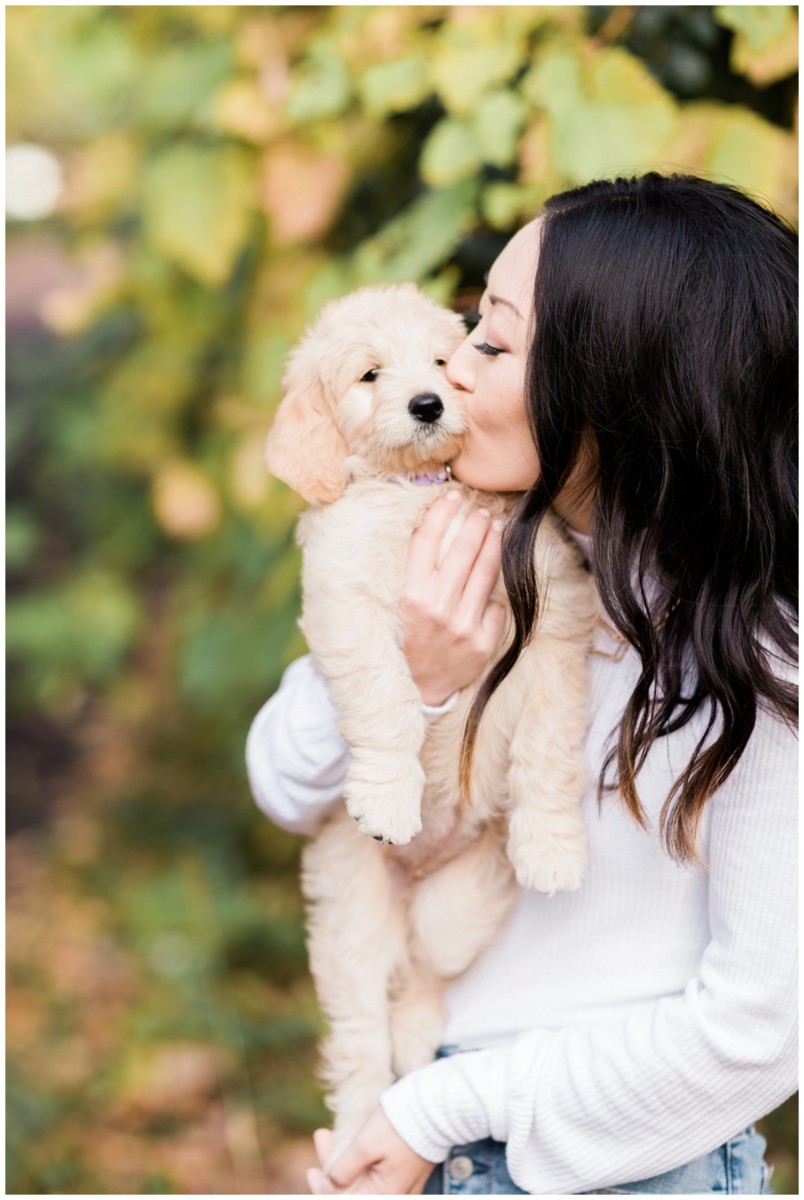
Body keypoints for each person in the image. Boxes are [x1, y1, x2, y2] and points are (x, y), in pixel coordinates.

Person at [246, 174, 798, 1195]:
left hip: (624, 1161)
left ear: (621, 387)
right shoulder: (470, 553)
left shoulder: (754, 656)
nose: (449, 369)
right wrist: (412, 675)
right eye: (470, 328)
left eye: (491, 344)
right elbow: (284, 784)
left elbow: (761, 1028)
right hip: (441, 1131)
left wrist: (436, 1110)